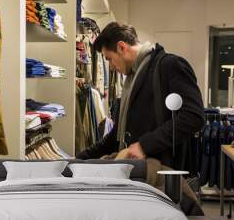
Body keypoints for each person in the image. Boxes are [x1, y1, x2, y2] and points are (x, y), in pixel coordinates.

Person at [76, 22, 205, 171]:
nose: (110, 67)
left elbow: (193, 116)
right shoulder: (131, 79)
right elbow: (117, 136)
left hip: (162, 173)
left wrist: (144, 145)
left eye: (109, 59)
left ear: (121, 47)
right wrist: (79, 159)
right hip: (137, 172)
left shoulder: (170, 66)